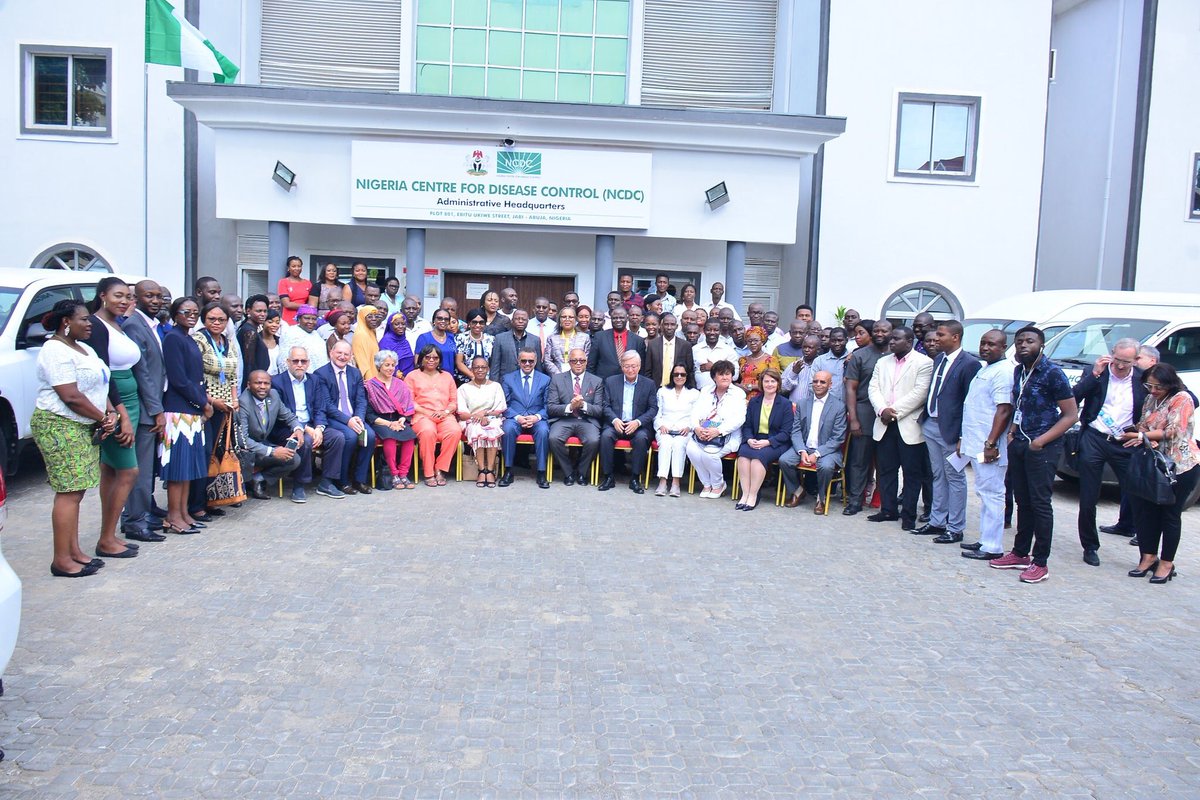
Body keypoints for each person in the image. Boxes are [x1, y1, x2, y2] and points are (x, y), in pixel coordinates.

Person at [33, 300, 121, 576]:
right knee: (69, 492)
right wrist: (102, 418)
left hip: (84, 424)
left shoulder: (85, 348)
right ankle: (62, 560)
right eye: (83, 319)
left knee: (77, 490)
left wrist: (111, 412)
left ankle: (74, 551)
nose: (89, 323)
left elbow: (100, 385)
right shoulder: (54, 350)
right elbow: (70, 395)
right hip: (59, 424)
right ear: (66, 322)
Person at [990, 326, 1079, 584]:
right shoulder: (1019, 371)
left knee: (1040, 503)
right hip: (1019, 442)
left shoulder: (1052, 373)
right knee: (1023, 500)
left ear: (1041, 345)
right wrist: (1012, 432)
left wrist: (1041, 441)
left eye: (1029, 341)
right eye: (1019, 341)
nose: (1023, 345)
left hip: (1043, 446)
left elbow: (1071, 415)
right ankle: (1020, 553)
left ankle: (1040, 561)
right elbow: (1020, 405)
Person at [81, 278, 142, 559]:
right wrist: (120, 414)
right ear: (102, 295)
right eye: (118, 295)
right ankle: (106, 539)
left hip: (128, 400)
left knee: (111, 469)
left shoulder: (117, 323)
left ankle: (109, 534)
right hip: (115, 403)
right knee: (129, 471)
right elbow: (103, 374)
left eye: (128, 296)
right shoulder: (96, 326)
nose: (124, 301)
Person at [1072, 338, 1146, 567]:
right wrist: (1094, 374)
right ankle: (1090, 546)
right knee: (1088, 497)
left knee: (1138, 494)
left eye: (1126, 362)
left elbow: (1182, 395)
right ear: (1111, 353)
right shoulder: (1097, 372)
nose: (1120, 365)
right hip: (1095, 438)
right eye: (1117, 359)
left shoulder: (1143, 378)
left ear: (1136, 360)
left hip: (1124, 442)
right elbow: (1073, 398)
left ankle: (1147, 552)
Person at [1121, 363, 1198, 584]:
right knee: (1147, 512)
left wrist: (1143, 437)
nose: (1153, 390)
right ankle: (1148, 556)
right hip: (1154, 464)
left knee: (1170, 515)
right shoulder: (1151, 398)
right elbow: (1142, 424)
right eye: (1150, 386)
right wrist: (1142, 434)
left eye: (1158, 387)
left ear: (1169, 384)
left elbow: (1174, 431)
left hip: (1179, 466)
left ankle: (1166, 563)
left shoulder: (1182, 398)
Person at [912, 320, 981, 545]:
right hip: (931, 424)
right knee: (938, 475)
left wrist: (962, 436)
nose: (936, 339)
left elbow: (970, 402)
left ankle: (955, 527)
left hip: (951, 430)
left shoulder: (969, 364)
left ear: (955, 337)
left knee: (955, 477)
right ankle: (937, 521)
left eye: (941, 335)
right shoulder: (939, 359)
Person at [867, 327, 933, 529]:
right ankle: (888, 510)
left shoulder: (924, 362)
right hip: (884, 423)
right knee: (886, 470)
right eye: (891, 339)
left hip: (908, 425)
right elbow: (873, 388)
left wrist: (893, 411)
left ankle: (908, 515)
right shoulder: (883, 362)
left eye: (896, 339)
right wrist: (882, 410)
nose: (891, 342)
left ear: (909, 341)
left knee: (912, 473)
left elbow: (920, 393)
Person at [959, 330, 1015, 561]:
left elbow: (1004, 410)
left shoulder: (1004, 371)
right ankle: (985, 539)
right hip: (977, 442)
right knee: (984, 492)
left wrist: (991, 443)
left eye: (992, 344)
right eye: (983, 343)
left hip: (989, 446)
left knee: (993, 494)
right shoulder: (986, 368)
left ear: (1003, 347)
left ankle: (992, 546)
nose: (985, 348)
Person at [120, 280, 168, 543]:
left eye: (158, 296)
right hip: (144, 409)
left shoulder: (152, 324)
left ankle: (141, 513)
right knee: (140, 469)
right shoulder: (133, 326)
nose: (156, 301)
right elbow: (143, 374)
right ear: (136, 298)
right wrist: (156, 410)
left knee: (147, 468)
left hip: (153, 406)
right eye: (149, 296)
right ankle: (135, 522)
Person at [160, 298, 211, 536]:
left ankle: (183, 513)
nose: (191, 315)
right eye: (185, 311)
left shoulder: (188, 337)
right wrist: (203, 402)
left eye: (195, 312)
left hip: (192, 409)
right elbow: (179, 379)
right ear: (174, 313)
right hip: (178, 409)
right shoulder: (172, 338)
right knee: (178, 468)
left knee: (188, 467)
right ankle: (172, 516)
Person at [271, 345, 346, 501]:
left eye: (303, 361)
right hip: (288, 427)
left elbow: (320, 407)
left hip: (312, 424)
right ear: (288, 362)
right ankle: (299, 485)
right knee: (304, 441)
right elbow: (281, 413)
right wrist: (305, 428)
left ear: (308, 363)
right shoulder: (277, 382)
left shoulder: (314, 380)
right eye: (295, 361)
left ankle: (327, 482)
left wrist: (319, 428)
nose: (299, 364)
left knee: (337, 437)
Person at [191, 301, 241, 519]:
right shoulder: (199, 340)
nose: (217, 323)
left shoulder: (227, 342)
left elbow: (232, 375)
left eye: (221, 319)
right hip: (204, 406)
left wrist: (234, 399)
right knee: (202, 454)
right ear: (204, 320)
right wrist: (211, 401)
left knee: (217, 452)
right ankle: (195, 505)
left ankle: (211, 499)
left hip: (224, 406)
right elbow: (194, 376)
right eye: (212, 319)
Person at [311, 340, 376, 494]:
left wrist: (358, 417)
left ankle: (359, 480)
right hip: (334, 418)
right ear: (331, 353)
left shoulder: (355, 373)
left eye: (346, 354)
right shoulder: (320, 374)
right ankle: (343, 481)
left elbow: (361, 399)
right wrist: (348, 421)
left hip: (354, 417)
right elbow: (326, 404)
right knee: (350, 437)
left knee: (370, 436)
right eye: (339, 353)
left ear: (351, 356)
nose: (342, 356)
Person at [780, 371, 847, 513]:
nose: (818, 384)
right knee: (784, 460)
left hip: (827, 450)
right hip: (804, 447)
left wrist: (817, 454)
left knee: (826, 466)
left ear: (830, 384)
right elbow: (796, 430)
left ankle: (821, 498)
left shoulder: (839, 406)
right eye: (815, 381)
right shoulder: (802, 403)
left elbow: (837, 438)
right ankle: (798, 491)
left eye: (822, 382)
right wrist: (802, 450)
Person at [842, 319, 890, 516]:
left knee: (886, 461)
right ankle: (855, 500)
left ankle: (885, 502)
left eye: (883, 331)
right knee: (859, 460)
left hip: (889, 415)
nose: (879, 334)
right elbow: (851, 388)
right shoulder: (860, 356)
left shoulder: (896, 355)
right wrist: (853, 418)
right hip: (864, 412)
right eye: (876, 330)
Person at [597, 352, 658, 494]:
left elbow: (653, 408)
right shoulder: (611, 381)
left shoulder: (649, 384)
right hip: (616, 423)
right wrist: (614, 420)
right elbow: (605, 405)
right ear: (621, 366)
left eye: (634, 366)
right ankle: (608, 477)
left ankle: (635, 478)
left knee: (641, 438)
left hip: (637, 425)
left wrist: (638, 422)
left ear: (639, 366)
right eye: (627, 366)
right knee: (605, 436)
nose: (630, 370)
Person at [734, 369, 794, 511]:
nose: (769, 384)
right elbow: (747, 426)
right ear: (761, 383)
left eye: (773, 381)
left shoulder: (785, 404)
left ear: (778, 383)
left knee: (757, 458)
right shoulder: (754, 401)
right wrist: (749, 439)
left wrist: (768, 442)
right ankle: (745, 494)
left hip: (775, 442)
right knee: (743, 455)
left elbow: (786, 432)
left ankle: (753, 495)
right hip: (755, 439)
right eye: (766, 381)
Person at [685, 360, 746, 499]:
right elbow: (695, 412)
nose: (725, 377)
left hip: (727, 434)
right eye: (721, 374)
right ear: (714, 377)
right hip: (704, 431)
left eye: (728, 374)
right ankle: (707, 484)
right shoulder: (706, 390)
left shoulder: (738, 393)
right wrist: (697, 428)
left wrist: (718, 431)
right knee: (691, 449)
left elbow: (739, 419)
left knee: (709, 454)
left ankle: (718, 485)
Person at [236, 370, 302, 499]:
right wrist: (272, 451)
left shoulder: (274, 395)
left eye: (266, 383)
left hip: (263, 444)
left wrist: (298, 429)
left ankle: (258, 479)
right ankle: (245, 482)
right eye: (258, 383)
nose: (263, 387)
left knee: (294, 459)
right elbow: (242, 439)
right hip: (246, 451)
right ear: (248, 385)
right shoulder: (243, 402)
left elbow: (289, 416)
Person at [547, 348, 606, 486]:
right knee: (553, 438)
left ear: (586, 362)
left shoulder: (596, 381)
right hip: (564, 419)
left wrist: (583, 405)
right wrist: (570, 407)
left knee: (593, 440)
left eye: (582, 360)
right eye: (574, 361)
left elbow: (599, 410)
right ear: (569, 362)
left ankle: (581, 472)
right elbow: (551, 407)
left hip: (586, 420)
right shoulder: (557, 379)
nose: (578, 363)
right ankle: (568, 473)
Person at [405, 344, 461, 487]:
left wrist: (445, 412)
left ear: (440, 360)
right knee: (428, 431)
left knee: (455, 431)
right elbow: (409, 402)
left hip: (444, 415)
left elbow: (454, 402)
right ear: (421, 359)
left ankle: (440, 469)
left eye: (435, 358)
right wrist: (427, 413)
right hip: (422, 415)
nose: (431, 360)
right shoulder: (412, 376)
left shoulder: (447, 376)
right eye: (428, 357)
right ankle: (428, 472)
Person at [499, 348, 551, 488]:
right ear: (518, 361)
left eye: (531, 361)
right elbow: (504, 404)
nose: (527, 364)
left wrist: (537, 417)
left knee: (543, 431)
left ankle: (541, 472)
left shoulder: (545, 379)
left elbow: (548, 404)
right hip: (515, 417)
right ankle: (508, 470)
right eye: (524, 361)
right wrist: (517, 417)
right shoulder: (508, 378)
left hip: (537, 418)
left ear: (536, 361)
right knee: (507, 429)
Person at [365, 349, 418, 490]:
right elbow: (369, 414)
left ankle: (403, 474)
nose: (390, 368)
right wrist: (389, 424)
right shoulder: (370, 386)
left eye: (393, 365)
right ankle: (394, 475)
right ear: (379, 366)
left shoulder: (400, 384)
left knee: (409, 437)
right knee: (390, 438)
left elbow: (407, 406)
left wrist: (402, 419)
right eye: (387, 365)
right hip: (380, 421)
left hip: (398, 419)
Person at [457, 354, 506, 488]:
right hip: (471, 420)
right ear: (471, 369)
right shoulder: (463, 388)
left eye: (483, 367)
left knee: (493, 429)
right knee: (477, 429)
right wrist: (476, 417)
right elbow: (462, 414)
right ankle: (481, 470)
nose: (480, 370)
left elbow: (499, 410)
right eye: (476, 367)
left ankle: (489, 470)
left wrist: (485, 414)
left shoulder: (496, 386)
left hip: (492, 418)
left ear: (488, 369)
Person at [653, 364, 699, 497]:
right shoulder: (662, 391)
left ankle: (676, 482)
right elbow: (657, 412)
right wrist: (660, 425)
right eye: (676, 374)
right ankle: (662, 481)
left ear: (687, 376)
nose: (679, 377)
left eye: (682, 374)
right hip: (665, 428)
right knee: (665, 444)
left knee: (679, 445)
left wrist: (690, 427)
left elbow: (697, 415)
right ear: (672, 376)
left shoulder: (694, 393)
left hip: (685, 430)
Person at [588, 307, 646, 380]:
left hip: (629, 382)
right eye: (615, 318)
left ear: (627, 318)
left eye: (621, 318)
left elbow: (641, 368)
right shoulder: (600, 337)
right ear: (611, 319)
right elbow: (591, 365)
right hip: (604, 382)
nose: (618, 320)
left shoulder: (638, 340)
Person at [642, 312, 694, 389]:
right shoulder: (653, 344)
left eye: (672, 324)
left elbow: (690, 370)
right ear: (661, 326)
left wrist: (691, 388)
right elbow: (648, 371)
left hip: (678, 388)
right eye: (666, 324)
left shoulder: (685, 345)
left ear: (676, 326)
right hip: (656, 387)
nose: (669, 327)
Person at [490, 309, 544, 380]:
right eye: (517, 319)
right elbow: (495, 365)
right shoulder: (500, 338)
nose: (520, 321)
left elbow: (538, 366)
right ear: (512, 321)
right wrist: (494, 384)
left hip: (528, 381)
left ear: (527, 322)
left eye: (524, 319)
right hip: (505, 381)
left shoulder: (535, 340)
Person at [691, 318, 739, 391]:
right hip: (699, 392)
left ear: (720, 331)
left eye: (716, 330)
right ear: (704, 331)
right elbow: (690, 372)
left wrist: (714, 367)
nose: (712, 333)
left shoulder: (728, 350)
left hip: (723, 393)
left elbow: (735, 376)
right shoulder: (695, 349)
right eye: (708, 330)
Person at [279, 305, 330, 371]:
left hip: (319, 375)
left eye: (314, 319)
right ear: (298, 319)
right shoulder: (290, 333)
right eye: (307, 318)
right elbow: (284, 361)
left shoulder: (316, 334)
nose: (311, 322)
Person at [736, 327, 781, 400]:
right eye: (749, 341)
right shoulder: (743, 360)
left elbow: (775, 382)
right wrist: (740, 386)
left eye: (756, 340)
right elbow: (735, 380)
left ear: (762, 341)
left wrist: (751, 387)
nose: (752, 343)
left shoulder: (770, 360)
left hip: (762, 398)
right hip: (742, 397)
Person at [237, 294, 271, 386]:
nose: (263, 314)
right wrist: (250, 384)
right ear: (248, 311)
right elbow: (248, 363)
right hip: (253, 383)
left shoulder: (251, 329)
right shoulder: (249, 332)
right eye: (259, 311)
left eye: (265, 311)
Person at [545, 306, 589, 374]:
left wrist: (574, 374)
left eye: (570, 317)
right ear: (559, 320)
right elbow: (547, 360)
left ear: (575, 320)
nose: (567, 319)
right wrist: (559, 375)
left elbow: (586, 359)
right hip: (557, 376)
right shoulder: (552, 338)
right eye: (564, 317)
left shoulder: (584, 338)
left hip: (577, 376)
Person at [455, 308, 496, 381]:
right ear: (469, 323)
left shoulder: (491, 339)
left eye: (481, 322)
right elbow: (459, 362)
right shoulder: (461, 338)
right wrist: (473, 377)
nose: (478, 325)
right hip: (465, 380)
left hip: (486, 380)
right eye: (474, 322)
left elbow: (492, 362)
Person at [415, 308, 458, 376]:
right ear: (434, 321)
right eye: (440, 318)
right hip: (430, 378)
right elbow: (418, 362)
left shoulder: (452, 337)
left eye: (446, 319)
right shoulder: (424, 338)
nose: (443, 321)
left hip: (449, 378)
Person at [811, 327, 850, 402]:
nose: (837, 344)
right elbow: (811, 384)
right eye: (833, 341)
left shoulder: (852, 359)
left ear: (846, 340)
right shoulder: (819, 361)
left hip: (848, 404)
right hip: (825, 404)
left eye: (840, 340)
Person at [351, 304, 386, 380]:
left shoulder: (371, 331)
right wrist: (371, 383)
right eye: (369, 316)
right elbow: (363, 364)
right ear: (362, 318)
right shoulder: (361, 334)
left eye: (376, 316)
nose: (374, 319)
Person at [378, 311, 416, 376]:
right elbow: (386, 364)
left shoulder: (405, 341)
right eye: (396, 324)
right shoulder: (386, 341)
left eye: (403, 324)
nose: (401, 326)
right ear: (391, 326)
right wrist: (400, 377)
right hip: (394, 378)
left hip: (409, 377)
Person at [277, 256, 311, 325]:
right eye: (293, 266)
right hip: (288, 320)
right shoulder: (283, 282)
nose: (297, 268)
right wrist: (306, 306)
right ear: (288, 268)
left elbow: (311, 303)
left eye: (299, 266)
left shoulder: (308, 283)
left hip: (305, 318)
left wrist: (308, 307)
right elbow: (287, 304)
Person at [261, 310, 283, 375]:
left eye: (277, 322)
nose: (274, 325)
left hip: (277, 378)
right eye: (270, 322)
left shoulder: (280, 341)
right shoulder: (257, 340)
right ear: (263, 322)